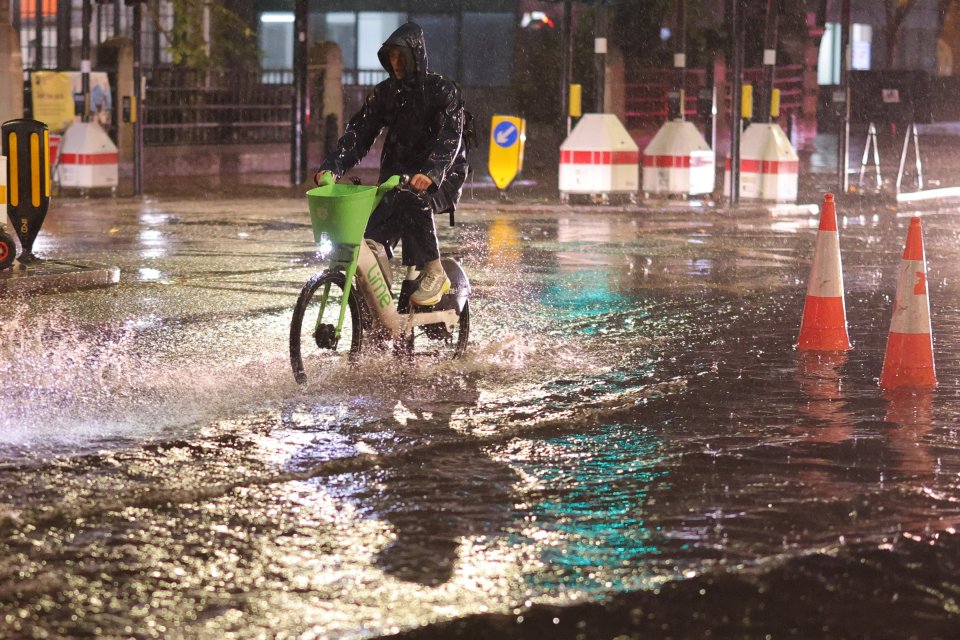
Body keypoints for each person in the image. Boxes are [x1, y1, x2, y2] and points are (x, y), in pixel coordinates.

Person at [315, 22, 468, 307]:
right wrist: (333, 167)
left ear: (415, 55)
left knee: (412, 197)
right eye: (391, 56)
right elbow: (360, 132)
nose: (395, 63)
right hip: (397, 179)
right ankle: (379, 311)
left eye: (401, 56)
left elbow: (450, 138)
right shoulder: (386, 93)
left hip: (442, 175)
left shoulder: (443, 91)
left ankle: (434, 271)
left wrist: (431, 172)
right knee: (372, 236)